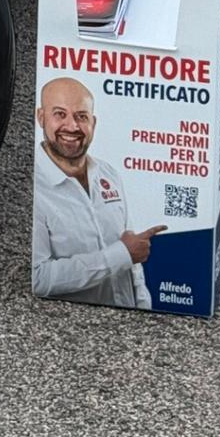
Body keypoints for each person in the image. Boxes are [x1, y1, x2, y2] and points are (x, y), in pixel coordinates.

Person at [32, 76, 164, 309]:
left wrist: (144, 307)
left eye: (81, 117)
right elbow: (40, 279)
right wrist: (121, 254)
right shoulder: (37, 188)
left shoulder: (108, 174)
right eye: (60, 114)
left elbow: (132, 260)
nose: (72, 127)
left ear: (93, 123)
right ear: (41, 117)